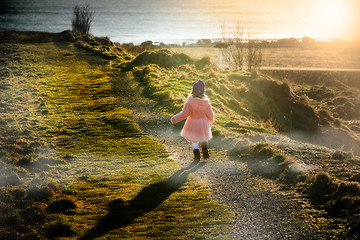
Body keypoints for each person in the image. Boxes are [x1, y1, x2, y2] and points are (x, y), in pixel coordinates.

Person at [171, 80, 214, 162]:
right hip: (204, 123)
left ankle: (197, 156)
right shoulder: (206, 103)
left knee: (194, 139)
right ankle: (205, 153)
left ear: (193, 91)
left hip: (193, 122)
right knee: (204, 137)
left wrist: (174, 119)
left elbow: (184, 114)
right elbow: (210, 113)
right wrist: (211, 120)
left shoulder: (190, 102)